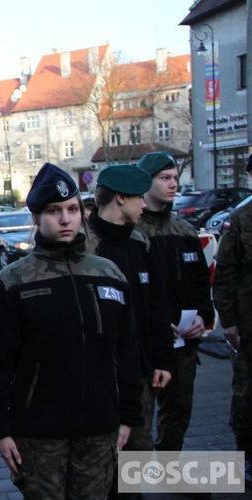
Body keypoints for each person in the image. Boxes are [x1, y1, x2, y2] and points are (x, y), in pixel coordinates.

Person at [0, 162, 142, 499]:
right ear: (37, 217)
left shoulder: (108, 273)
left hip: (100, 428)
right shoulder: (14, 280)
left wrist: (128, 416)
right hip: (39, 435)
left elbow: (126, 350)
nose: (65, 219)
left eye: (72, 209)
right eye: (54, 211)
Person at [88, 164, 174, 454]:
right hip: (97, 376)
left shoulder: (139, 243)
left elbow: (156, 307)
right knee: (99, 462)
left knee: (137, 456)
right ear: (121, 198)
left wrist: (162, 359)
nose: (144, 204)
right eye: (140, 197)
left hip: (139, 373)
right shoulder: (86, 246)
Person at [136, 151, 214, 452]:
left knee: (178, 413)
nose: (173, 185)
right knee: (140, 419)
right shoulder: (133, 231)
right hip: (148, 344)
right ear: (147, 181)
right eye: (165, 178)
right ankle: (132, 489)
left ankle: (169, 472)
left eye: (175, 179)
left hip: (184, 343)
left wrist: (202, 317)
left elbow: (199, 282)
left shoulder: (184, 230)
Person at [213, 154, 252, 487]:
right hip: (249, 323)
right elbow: (225, 273)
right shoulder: (240, 221)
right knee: (246, 394)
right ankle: (246, 457)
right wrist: (228, 321)